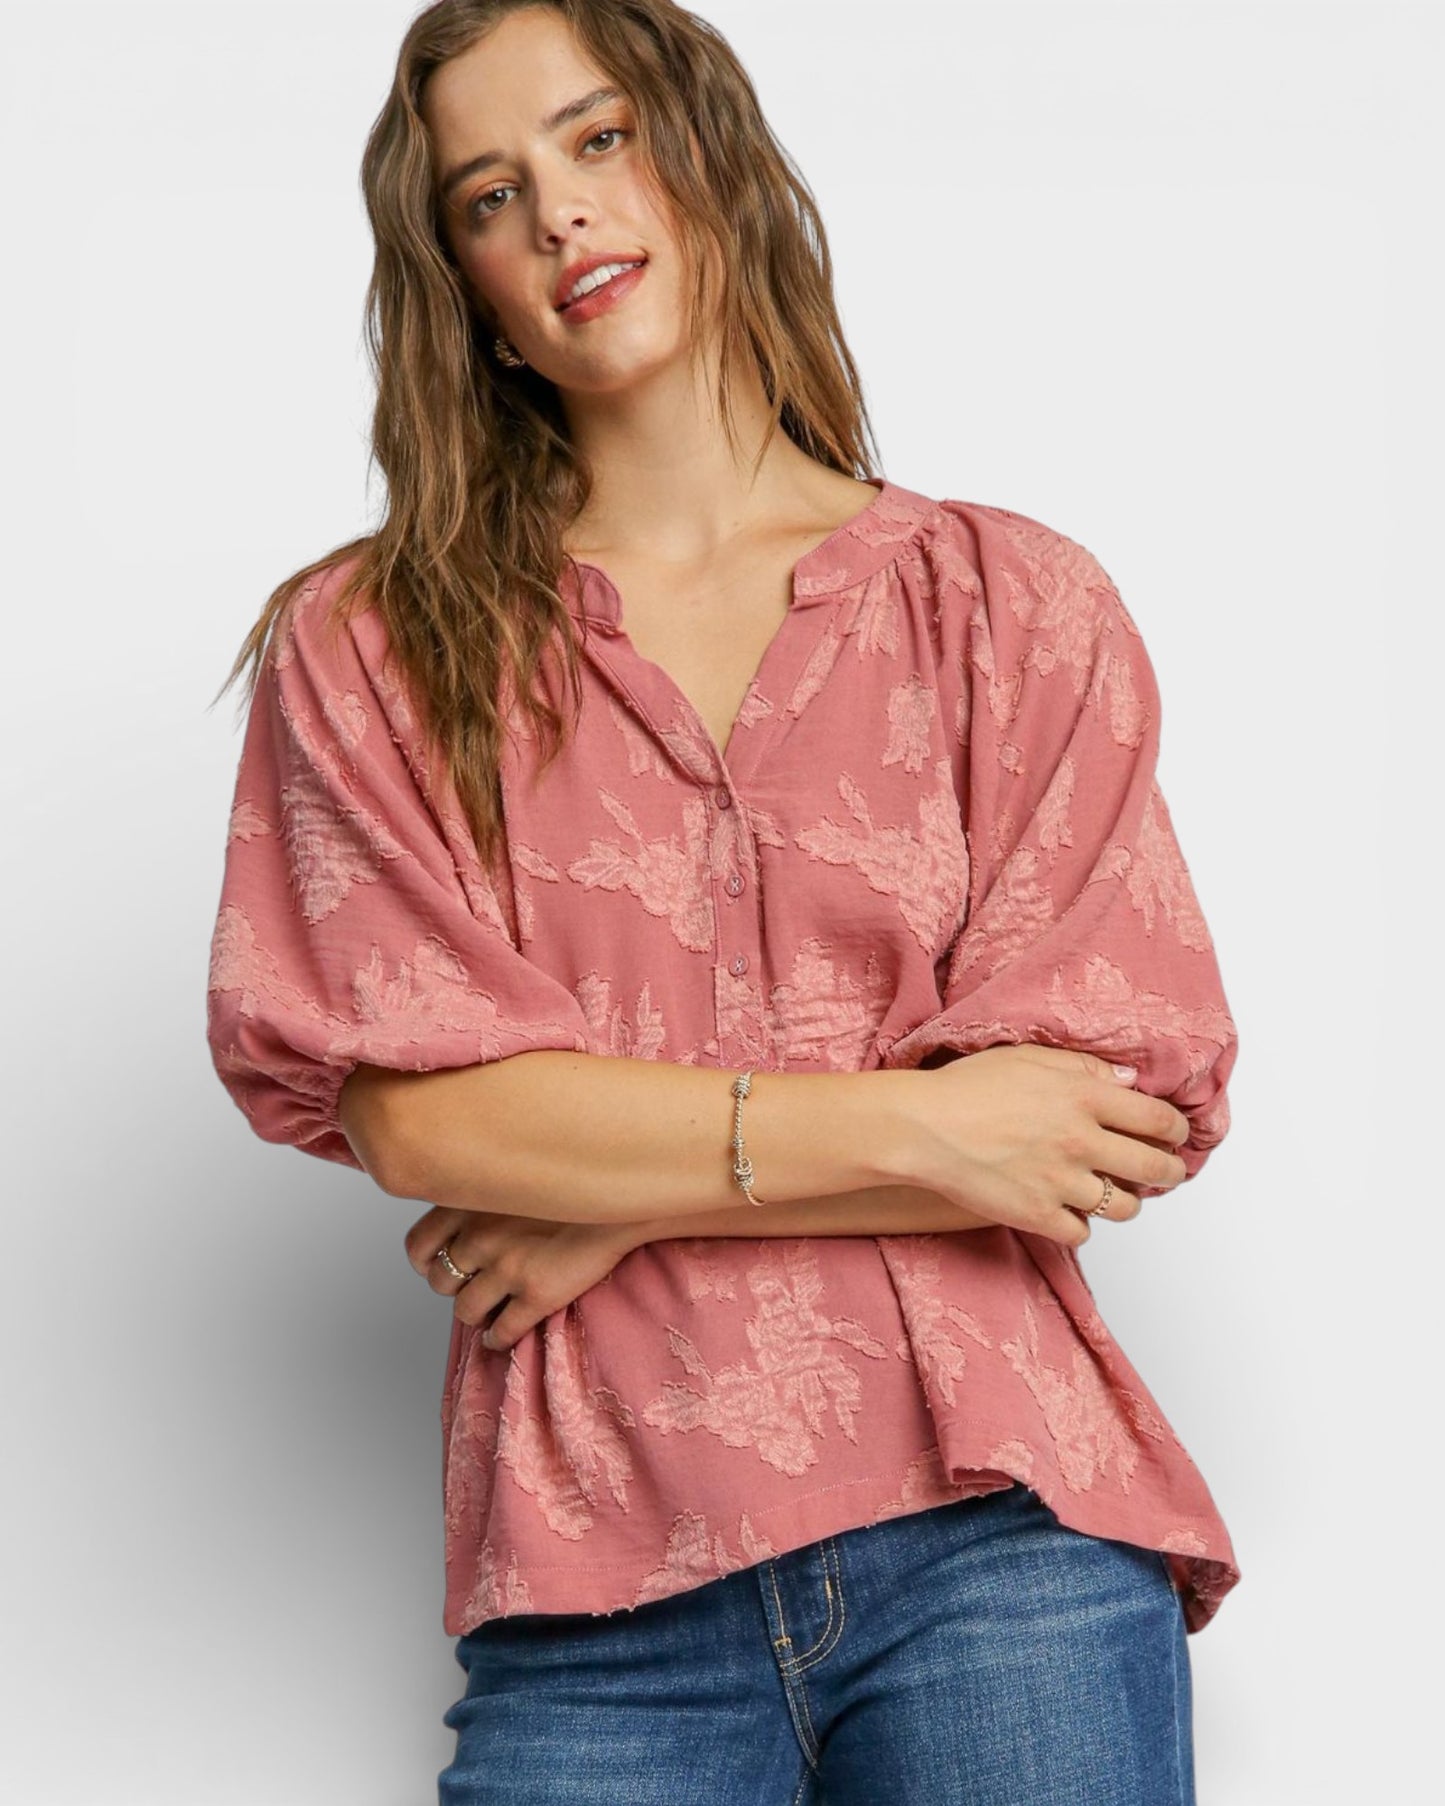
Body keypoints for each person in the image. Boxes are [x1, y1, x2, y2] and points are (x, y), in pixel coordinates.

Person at [206, 2, 1241, 1800]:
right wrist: (922, 1129)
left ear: (711, 160)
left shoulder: (1007, 606)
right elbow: (415, 1106)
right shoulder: (371, 647)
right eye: (487, 195)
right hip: (596, 1578)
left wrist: (605, 1195)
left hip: (1002, 1535)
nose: (558, 218)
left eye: (599, 142)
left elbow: (1097, 1110)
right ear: (458, 283)